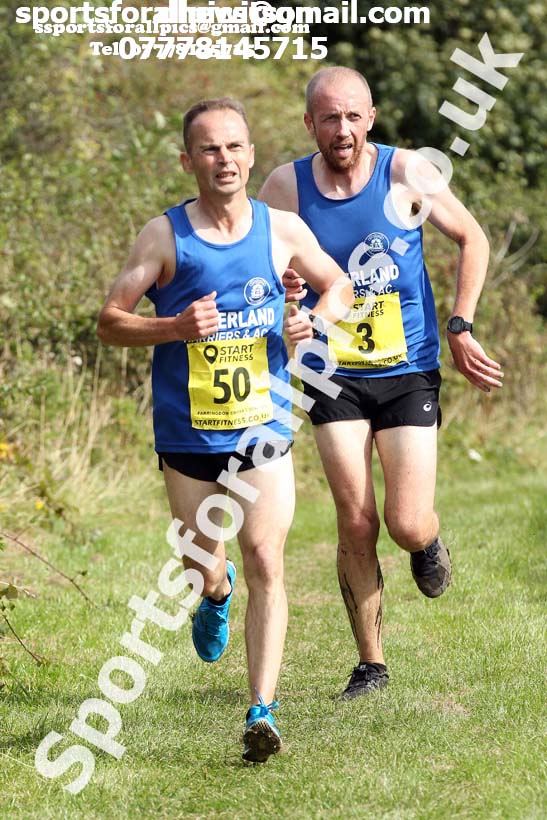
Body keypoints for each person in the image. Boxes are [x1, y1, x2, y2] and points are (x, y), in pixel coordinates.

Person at [97, 97, 352, 761]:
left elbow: (341, 287)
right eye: (209, 149)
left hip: (262, 427)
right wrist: (172, 327)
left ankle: (261, 711)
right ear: (188, 161)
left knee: (267, 557)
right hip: (187, 435)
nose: (224, 160)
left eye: (234, 147)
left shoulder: (282, 230)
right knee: (200, 564)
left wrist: (314, 322)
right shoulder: (163, 237)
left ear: (250, 154)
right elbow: (108, 321)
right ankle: (214, 589)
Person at [259, 67, 503, 699]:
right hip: (329, 372)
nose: (342, 130)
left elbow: (471, 237)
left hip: (407, 367)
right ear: (309, 123)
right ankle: (371, 662)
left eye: (353, 116)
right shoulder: (284, 186)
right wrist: (284, 297)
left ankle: (426, 542)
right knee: (356, 520)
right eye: (328, 118)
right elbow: (259, 266)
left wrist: (461, 324)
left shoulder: (406, 174)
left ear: (371, 118)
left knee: (405, 521)